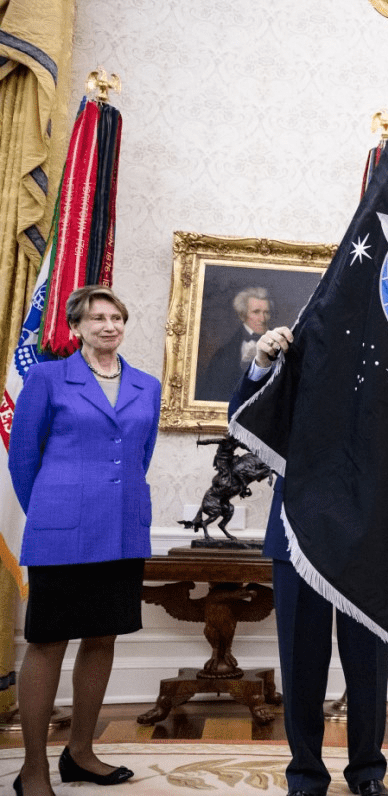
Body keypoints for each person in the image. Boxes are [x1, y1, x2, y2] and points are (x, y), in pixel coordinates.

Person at [8, 285, 161, 796]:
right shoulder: (47, 378)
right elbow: (23, 458)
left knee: (102, 637)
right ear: (75, 327)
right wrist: (53, 511)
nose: (109, 325)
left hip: (121, 532)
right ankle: (33, 768)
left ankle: (80, 753)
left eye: (117, 317)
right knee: (48, 642)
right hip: (61, 533)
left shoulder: (146, 385)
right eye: (97, 317)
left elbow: (140, 456)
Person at [230, 326, 388, 796]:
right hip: (296, 536)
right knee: (301, 662)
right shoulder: (293, 358)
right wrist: (262, 363)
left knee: (368, 665)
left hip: (366, 540)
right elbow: (243, 415)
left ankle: (368, 772)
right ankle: (305, 775)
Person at [197, 286, 272, 402]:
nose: (262, 319)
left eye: (266, 312)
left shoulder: (281, 348)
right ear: (242, 315)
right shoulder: (222, 355)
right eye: (256, 312)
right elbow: (211, 394)